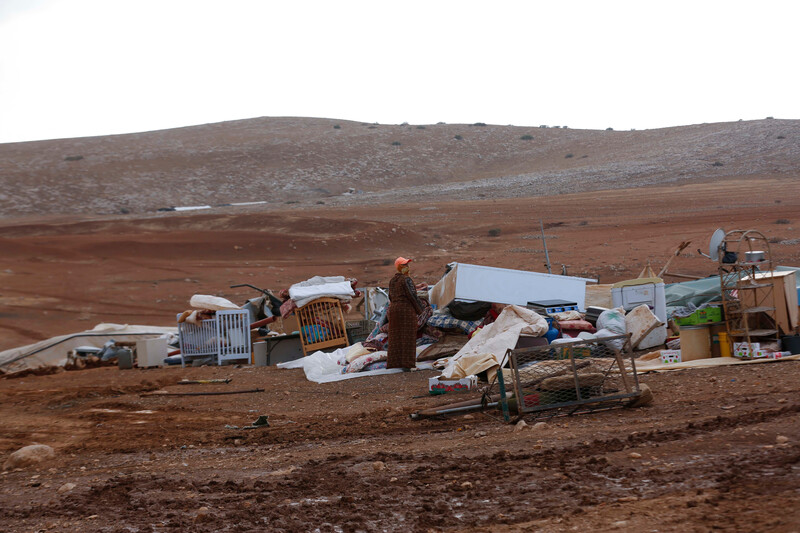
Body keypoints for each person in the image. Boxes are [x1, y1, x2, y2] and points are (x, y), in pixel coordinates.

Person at [387, 256, 423, 369]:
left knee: (395, 337)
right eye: (404, 265)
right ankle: (408, 365)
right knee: (408, 336)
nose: (407, 267)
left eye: (407, 265)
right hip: (406, 310)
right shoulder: (406, 279)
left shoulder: (392, 280)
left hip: (394, 310)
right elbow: (412, 295)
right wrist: (420, 309)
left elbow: (390, 296)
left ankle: (394, 364)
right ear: (399, 267)